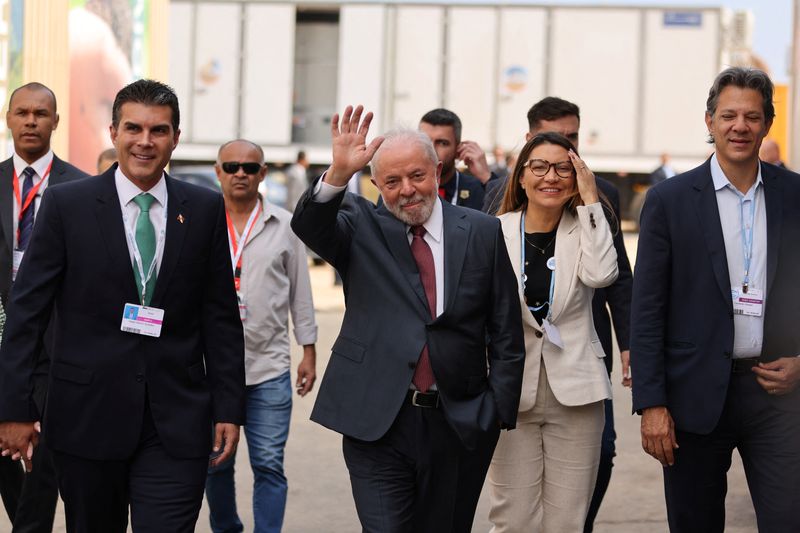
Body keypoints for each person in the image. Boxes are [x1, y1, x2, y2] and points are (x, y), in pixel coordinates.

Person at [0, 79, 246, 532]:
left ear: (176, 136)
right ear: (113, 132)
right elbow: (27, 311)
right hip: (87, 418)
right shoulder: (66, 205)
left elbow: (220, 317)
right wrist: (14, 407)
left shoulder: (206, 208)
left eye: (159, 130)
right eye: (133, 128)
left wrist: (229, 407)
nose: (145, 141)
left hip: (175, 421)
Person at [291, 105, 525, 532]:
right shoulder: (359, 225)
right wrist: (339, 174)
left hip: (459, 422)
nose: (407, 191)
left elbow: (506, 330)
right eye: (392, 182)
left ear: (438, 170)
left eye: (417, 176)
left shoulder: (481, 231)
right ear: (376, 183)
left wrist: (496, 411)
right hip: (377, 421)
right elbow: (310, 225)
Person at [631, 67, 800, 532]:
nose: (739, 126)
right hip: (693, 397)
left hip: (779, 397)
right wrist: (652, 404)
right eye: (728, 115)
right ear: (709, 121)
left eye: (752, 116)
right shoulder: (670, 200)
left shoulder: (795, 195)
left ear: (767, 123)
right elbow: (647, 309)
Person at [482, 96, 633, 531]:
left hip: (577, 392)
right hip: (512, 388)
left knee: (567, 520)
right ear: (522, 176)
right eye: (540, 167)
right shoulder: (494, 231)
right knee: (512, 519)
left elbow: (606, 275)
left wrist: (589, 199)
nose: (551, 176)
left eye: (562, 167)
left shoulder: (588, 225)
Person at [205, 139, 318, 533]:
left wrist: (308, 350)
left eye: (250, 168)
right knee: (214, 463)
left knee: (269, 464)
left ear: (263, 174)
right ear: (218, 172)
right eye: (232, 166)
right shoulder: (201, 222)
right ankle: (226, 527)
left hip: (268, 369)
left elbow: (300, 293)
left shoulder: (285, 226)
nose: (240, 174)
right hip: (211, 372)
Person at [0, 82, 88, 532]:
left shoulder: (85, 189)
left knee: (48, 459)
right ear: (8, 117)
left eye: (41, 113)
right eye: (22, 112)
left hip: (61, 345)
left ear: (56, 121)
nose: (31, 121)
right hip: (2, 339)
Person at [419, 108, 494, 210]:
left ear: (458, 150)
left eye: (442, 143)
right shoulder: (404, 188)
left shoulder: (477, 190)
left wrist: (486, 176)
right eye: (424, 141)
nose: (431, 150)